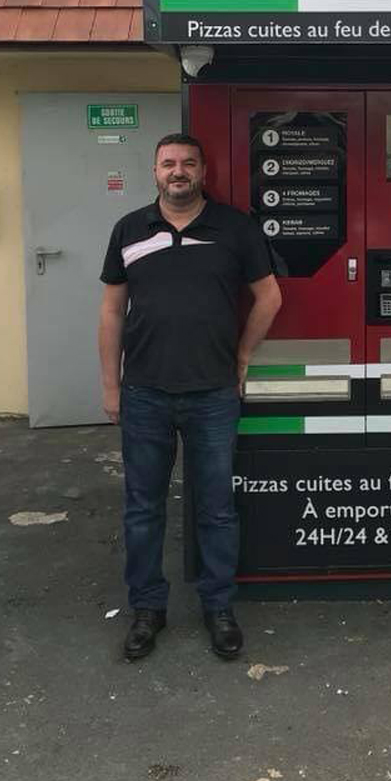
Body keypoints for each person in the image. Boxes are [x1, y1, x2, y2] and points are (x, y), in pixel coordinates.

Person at [98, 133, 282, 662]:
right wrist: (111, 384)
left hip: (212, 394)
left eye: (187, 163)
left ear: (204, 170)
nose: (178, 172)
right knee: (142, 509)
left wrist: (242, 356)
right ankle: (147, 610)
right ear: (155, 171)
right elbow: (111, 311)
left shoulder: (235, 229)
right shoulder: (130, 229)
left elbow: (270, 297)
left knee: (217, 510)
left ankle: (218, 607)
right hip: (145, 393)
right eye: (168, 164)